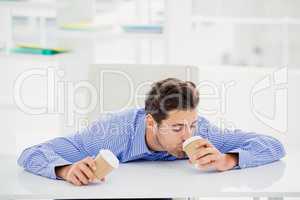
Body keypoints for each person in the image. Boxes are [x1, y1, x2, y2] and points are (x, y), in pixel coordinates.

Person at [18, 78, 285, 186]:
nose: (187, 135)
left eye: (191, 124)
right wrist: (65, 170)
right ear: (151, 123)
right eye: (177, 127)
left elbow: (272, 145)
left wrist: (230, 160)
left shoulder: (203, 132)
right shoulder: (111, 132)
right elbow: (33, 153)